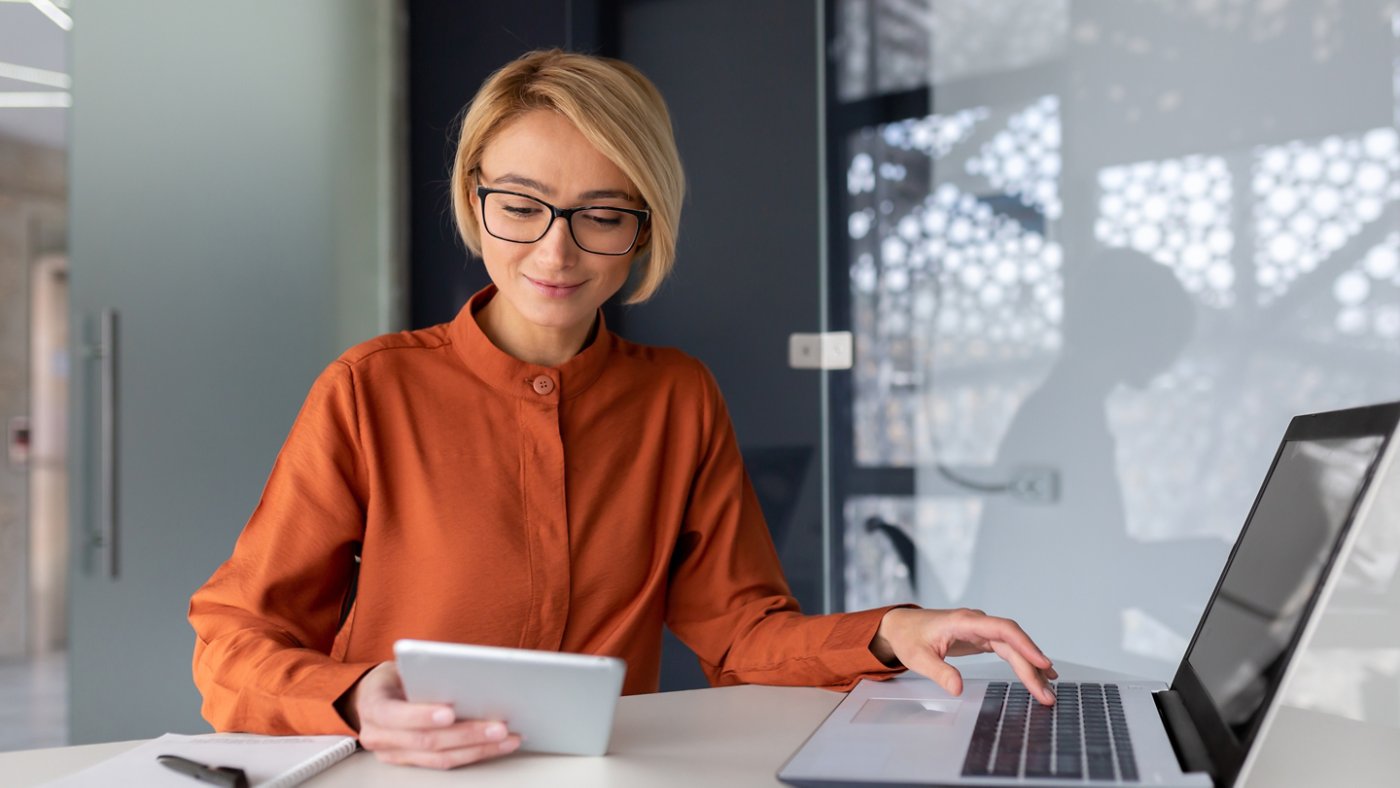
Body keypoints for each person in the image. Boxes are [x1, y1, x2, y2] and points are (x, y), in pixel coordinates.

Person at [188, 49, 1056, 771]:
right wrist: (351, 695)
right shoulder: (370, 390)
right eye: (521, 207)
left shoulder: (678, 397)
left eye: (602, 214)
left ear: (646, 227)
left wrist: (892, 628)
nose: (555, 252)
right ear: (473, 197)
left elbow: (742, 636)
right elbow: (233, 638)